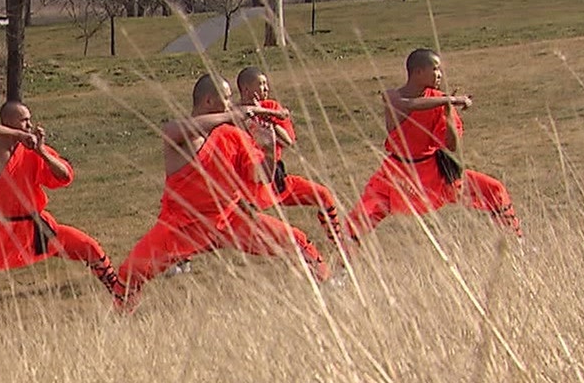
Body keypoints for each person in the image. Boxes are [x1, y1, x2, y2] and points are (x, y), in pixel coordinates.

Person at [117, 74, 331, 308]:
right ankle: (122, 316)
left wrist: (269, 151)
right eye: (227, 98)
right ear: (209, 101)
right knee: (129, 274)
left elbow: (260, 176)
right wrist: (234, 115)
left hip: (230, 219)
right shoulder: (181, 133)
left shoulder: (232, 135)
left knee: (297, 241)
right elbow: (171, 130)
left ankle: (330, 290)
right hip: (183, 226)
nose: (231, 103)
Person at [0, 101, 125, 331]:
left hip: (37, 227)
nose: (29, 124)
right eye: (24, 120)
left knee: (89, 247)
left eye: (29, 120)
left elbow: (65, 175)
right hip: (2, 232)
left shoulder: (33, 151)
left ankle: (120, 297)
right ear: (8, 122)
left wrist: (41, 152)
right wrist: (18, 135)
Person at [339, 48, 522, 249]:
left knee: (494, 189)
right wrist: (451, 100)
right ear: (418, 72)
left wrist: (448, 115)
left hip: (434, 173)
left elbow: (452, 146)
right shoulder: (392, 96)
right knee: (358, 219)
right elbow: (411, 105)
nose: (440, 75)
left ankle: (516, 244)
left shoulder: (439, 100)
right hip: (397, 174)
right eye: (435, 69)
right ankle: (339, 264)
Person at [236, 67, 343, 243]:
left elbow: (287, 141)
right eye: (261, 84)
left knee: (323, 195)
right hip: (252, 183)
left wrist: (268, 118)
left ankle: (338, 241)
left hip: (278, 179)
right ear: (246, 89)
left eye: (266, 83)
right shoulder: (235, 115)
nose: (266, 88)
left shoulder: (271, 107)